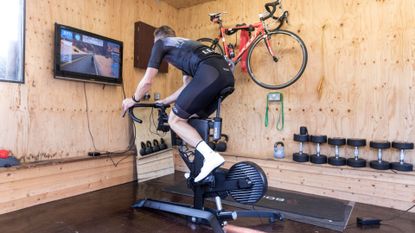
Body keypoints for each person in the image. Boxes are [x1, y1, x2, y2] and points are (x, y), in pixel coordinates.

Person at [122, 26, 234, 182]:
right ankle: (200, 168)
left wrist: (133, 100)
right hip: (226, 77)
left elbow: (147, 81)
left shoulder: (161, 43)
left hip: (209, 73)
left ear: (157, 40)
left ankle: (210, 157)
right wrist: (165, 101)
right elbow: (188, 87)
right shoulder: (186, 46)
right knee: (191, 120)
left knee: (174, 120)